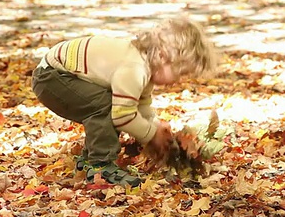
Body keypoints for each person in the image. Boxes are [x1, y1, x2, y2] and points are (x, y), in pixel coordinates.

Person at [31, 19, 218, 187]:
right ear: (163, 56)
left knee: (112, 103)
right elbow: (123, 116)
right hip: (51, 79)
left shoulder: (144, 66)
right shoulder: (134, 69)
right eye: (180, 72)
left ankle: (89, 161)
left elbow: (141, 107)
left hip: (61, 75)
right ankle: (100, 166)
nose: (178, 81)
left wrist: (157, 126)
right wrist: (152, 135)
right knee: (108, 107)